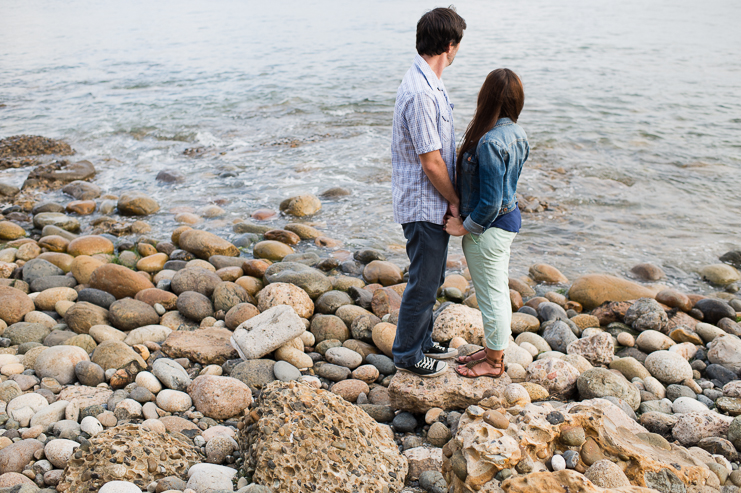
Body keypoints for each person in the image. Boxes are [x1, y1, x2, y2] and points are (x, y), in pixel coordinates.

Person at [390, 7, 466, 377]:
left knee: (433, 277)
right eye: (458, 45)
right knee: (424, 280)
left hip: (429, 202)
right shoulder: (421, 93)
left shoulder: (429, 83)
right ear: (449, 45)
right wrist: (455, 198)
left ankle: (421, 341)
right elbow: (431, 161)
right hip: (424, 203)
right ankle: (406, 353)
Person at [444, 68, 528, 378]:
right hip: (506, 222)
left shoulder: (490, 141)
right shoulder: (517, 133)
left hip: (489, 230)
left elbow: (491, 202)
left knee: (493, 298)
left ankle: (494, 363)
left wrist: (464, 227)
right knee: (498, 293)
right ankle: (494, 351)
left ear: (486, 97)